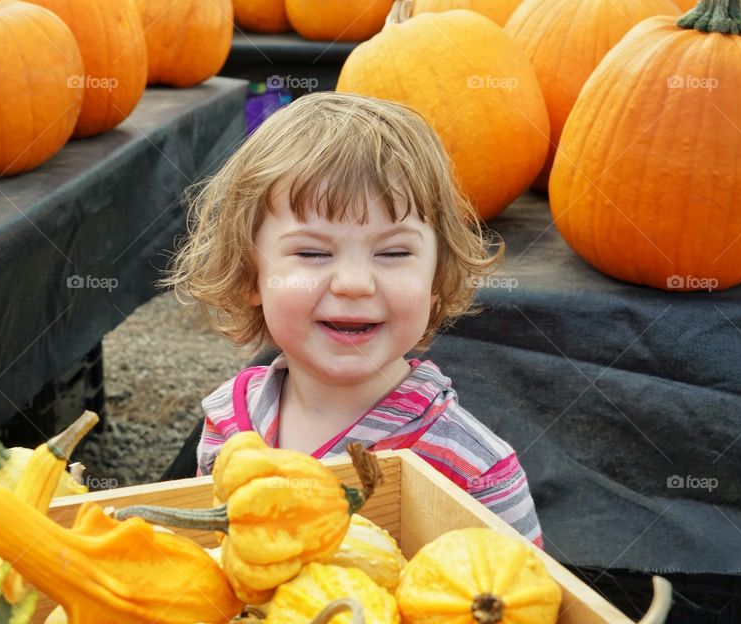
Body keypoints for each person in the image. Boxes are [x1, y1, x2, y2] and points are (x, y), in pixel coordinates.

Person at [160, 92, 543, 547]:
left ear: (437, 276)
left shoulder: (474, 469)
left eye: (394, 252)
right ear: (251, 276)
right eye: (313, 252)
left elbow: (523, 598)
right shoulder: (228, 420)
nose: (355, 283)